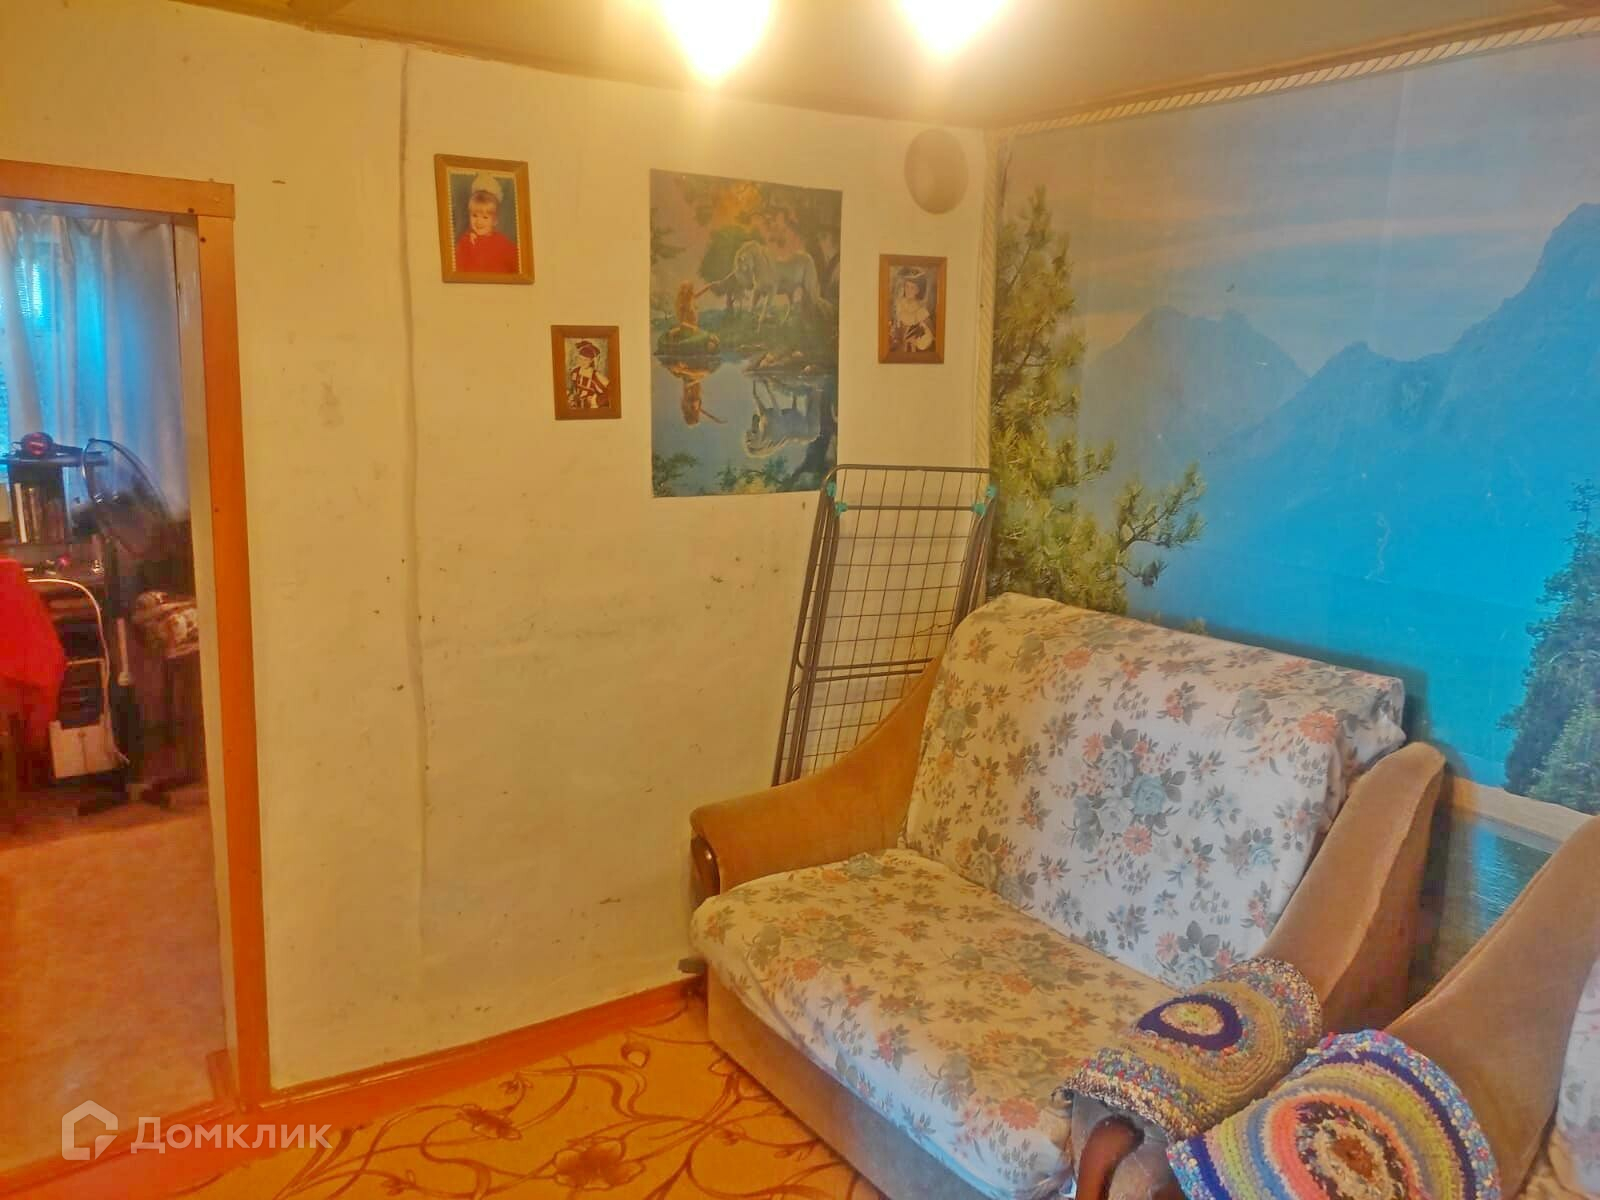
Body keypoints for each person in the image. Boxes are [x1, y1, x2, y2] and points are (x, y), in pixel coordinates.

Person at [453, 173, 519, 274]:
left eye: (485, 217)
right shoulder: (465, 241)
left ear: (495, 220)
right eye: (474, 215)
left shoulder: (502, 243)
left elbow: (517, 265)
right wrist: (469, 246)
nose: (479, 221)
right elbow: (458, 268)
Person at [893, 270, 935, 353]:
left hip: (911, 349)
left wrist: (917, 342)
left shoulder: (921, 311)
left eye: (912, 288)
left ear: (917, 291)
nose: (908, 290)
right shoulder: (899, 304)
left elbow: (929, 336)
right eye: (907, 286)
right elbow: (895, 326)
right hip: (897, 347)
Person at [567, 341, 610, 410]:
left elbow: (611, 392)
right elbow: (571, 388)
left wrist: (595, 399)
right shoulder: (575, 372)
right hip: (578, 407)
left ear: (591, 360)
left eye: (586, 360)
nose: (582, 362)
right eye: (580, 359)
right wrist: (571, 396)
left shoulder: (597, 376)